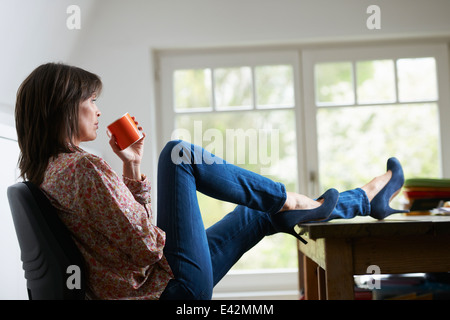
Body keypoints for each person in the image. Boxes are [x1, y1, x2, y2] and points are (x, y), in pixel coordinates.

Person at [15, 62, 408, 300]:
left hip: (156, 287)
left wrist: (132, 167)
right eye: (92, 101)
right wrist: (176, 231)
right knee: (176, 154)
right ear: (65, 105)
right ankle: (292, 200)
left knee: (258, 214)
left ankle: (362, 200)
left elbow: (126, 238)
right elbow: (146, 246)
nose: (99, 111)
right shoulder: (83, 169)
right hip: (168, 291)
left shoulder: (52, 172)